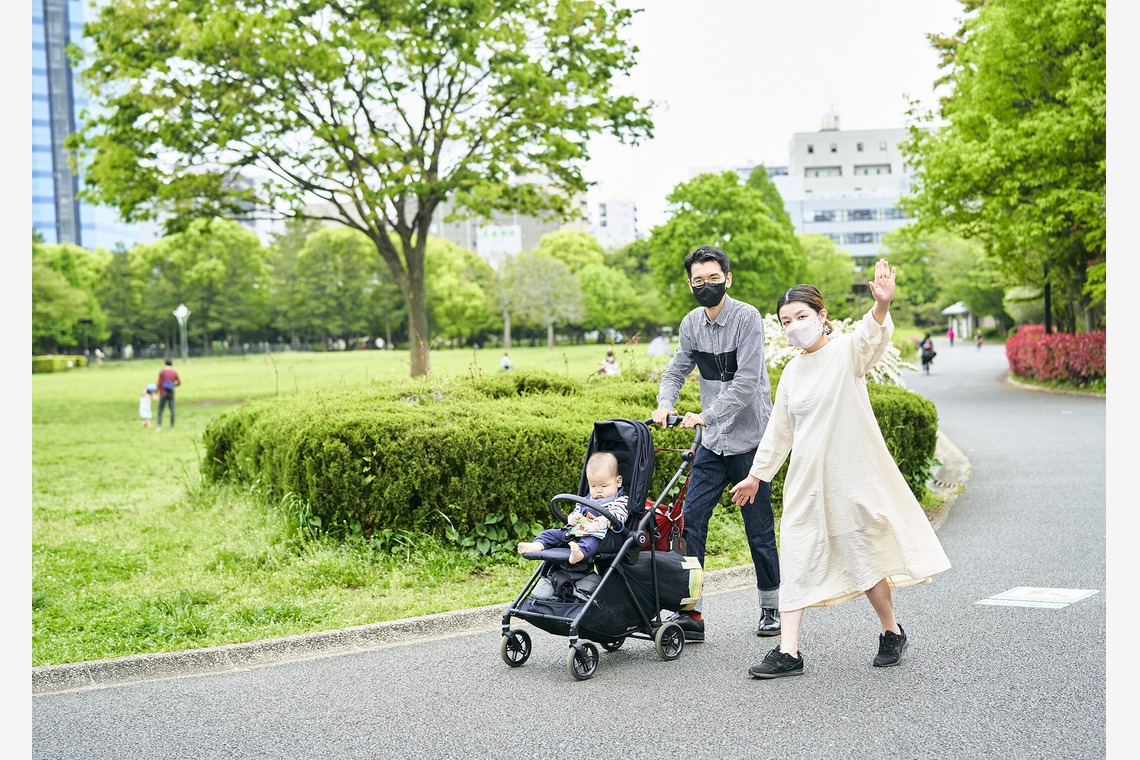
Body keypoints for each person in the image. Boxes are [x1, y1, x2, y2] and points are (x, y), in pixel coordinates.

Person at [729, 260, 952, 679]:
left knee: (863, 557)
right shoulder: (793, 372)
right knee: (795, 555)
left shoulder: (845, 353)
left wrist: (882, 306)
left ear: (821, 316)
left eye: (801, 317)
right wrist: (757, 475)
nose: (794, 326)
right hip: (806, 483)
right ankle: (789, 652)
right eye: (786, 321)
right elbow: (780, 430)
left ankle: (891, 631)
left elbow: (870, 338)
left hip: (848, 481)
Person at [652, 244, 781, 642]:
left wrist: (706, 415)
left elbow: (745, 383)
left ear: (727, 278)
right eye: (697, 280)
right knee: (690, 523)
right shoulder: (691, 323)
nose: (705, 285)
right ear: (689, 283)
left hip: (750, 441)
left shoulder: (747, 318)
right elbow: (677, 368)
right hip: (713, 443)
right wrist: (663, 404)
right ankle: (691, 614)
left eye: (712, 278)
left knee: (758, 529)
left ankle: (770, 609)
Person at [517, 451, 629, 566]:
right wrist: (573, 518)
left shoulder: (620, 500)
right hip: (578, 532)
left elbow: (619, 515)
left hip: (603, 536)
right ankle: (538, 544)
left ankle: (580, 553)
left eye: (604, 486)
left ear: (618, 481)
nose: (598, 490)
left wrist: (600, 522)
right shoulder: (588, 498)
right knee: (552, 534)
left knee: (591, 540)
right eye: (593, 486)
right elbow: (576, 511)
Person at [156, 358, 181, 430]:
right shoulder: (174, 372)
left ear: (165, 364)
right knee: (172, 410)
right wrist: (173, 385)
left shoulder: (162, 372)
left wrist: (156, 393)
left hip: (163, 393)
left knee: (160, 410)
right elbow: (179, 383)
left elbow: (159, 383)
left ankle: (159, 426)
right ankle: (171, 427)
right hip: (171, 393)